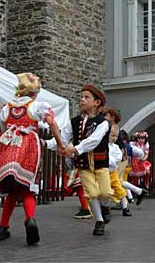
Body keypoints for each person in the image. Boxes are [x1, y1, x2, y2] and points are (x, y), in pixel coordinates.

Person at [0, 73, 65, 245]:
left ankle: (2, 228)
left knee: (12, 190)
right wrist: (60, 144)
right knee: (27, 188)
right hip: (28, 148)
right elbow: (53, 124)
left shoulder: (6, 108)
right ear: (35, 92)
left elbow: (3, 130)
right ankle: (30, 218)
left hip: (10, 147)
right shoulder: (37, 106)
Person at [45, 84, 114, 235]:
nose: (82, 100)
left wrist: (75, 149)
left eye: (87, 97)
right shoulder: (74, 122)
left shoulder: (103, 122)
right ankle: (99, 221)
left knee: (105, 192)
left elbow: (94, 141)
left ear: (97, 103)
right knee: (91, 193)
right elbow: (62, 138)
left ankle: (106, 206)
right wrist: (47, 144)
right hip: (83, 165)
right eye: (81, 97)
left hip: (100, 164)